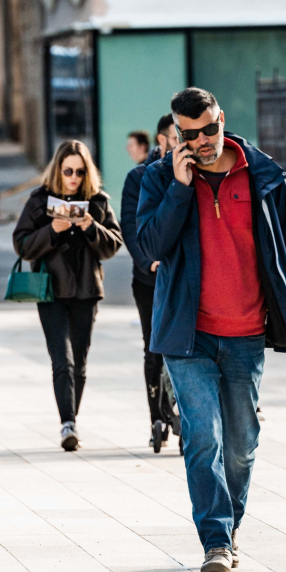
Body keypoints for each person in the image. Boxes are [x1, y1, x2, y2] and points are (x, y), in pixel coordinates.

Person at [136, 88, 286, 572]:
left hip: (246, 332)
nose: (203, 141)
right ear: (176, 134)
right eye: (189, 134)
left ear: (221, 118)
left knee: (242, 443)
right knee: (203, 438)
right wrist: (180, 188)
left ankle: (229, 527)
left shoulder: (262, 173)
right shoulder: (160, 178)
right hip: (188, 335)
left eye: (208, 129)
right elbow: (148, 247)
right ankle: (216, 541)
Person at [13, 140, 123, 452]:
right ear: (57, 171)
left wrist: (90, 227)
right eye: (68, 171)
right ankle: (68, 424)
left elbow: (113, 244)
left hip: (86, 291)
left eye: (79, 171)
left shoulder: (98, 201)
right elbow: (21, 243)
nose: (73, 177)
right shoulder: (39, 201)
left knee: (80, 362)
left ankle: (71, 417)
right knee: (62, 359)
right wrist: (52, 230)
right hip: (50, 290)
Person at [121, 114, 178, 446]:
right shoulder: (140, 177)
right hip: (149, 279)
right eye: (176, 137)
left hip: (184, 278)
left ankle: (185, 414)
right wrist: (149, 261)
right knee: (154, 349)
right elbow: (131, 227)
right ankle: (156, 417)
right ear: (162, 141)